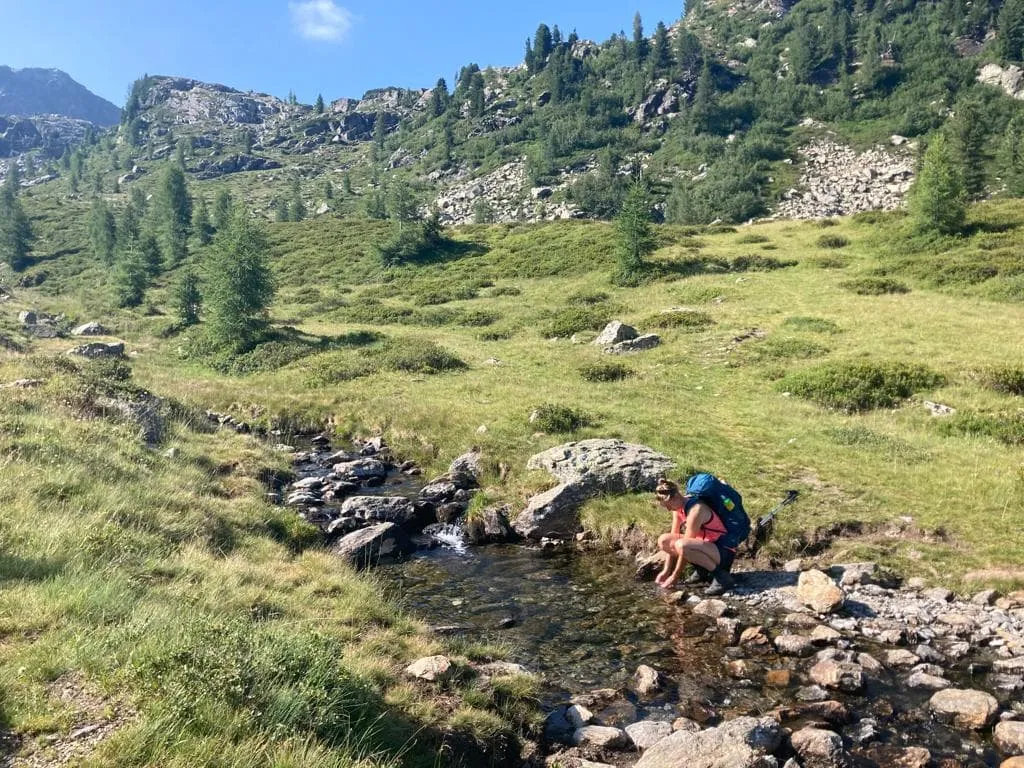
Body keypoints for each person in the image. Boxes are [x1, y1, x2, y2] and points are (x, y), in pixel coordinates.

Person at [653, 477, 739, 596]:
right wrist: (666, 571)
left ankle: (722, 577)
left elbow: (685, 546)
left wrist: (675, 576)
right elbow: (674, 534)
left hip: (723, 550)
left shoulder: (696, 510)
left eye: (668, 506)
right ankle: (702, 570)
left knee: (682, 545)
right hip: (706, 546)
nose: (668, 509)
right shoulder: (677, 509)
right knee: (664, 540)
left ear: (676, 497)